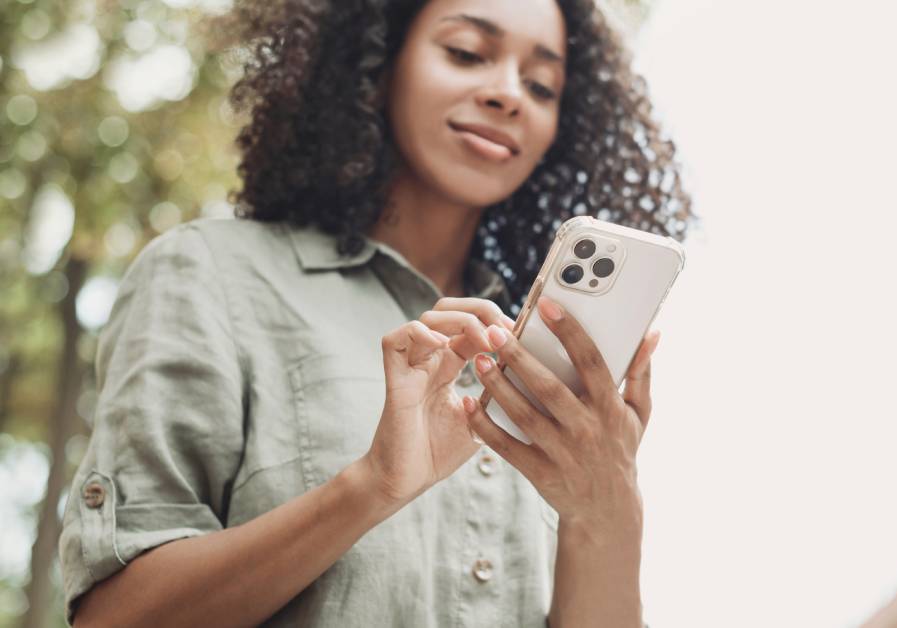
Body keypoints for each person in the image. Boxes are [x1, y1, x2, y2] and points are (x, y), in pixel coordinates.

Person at [58, 0, 693, 626]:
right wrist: (370, 488)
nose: (509, 94)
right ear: (379, 61)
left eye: (542, 85)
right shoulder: (213, 274)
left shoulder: (535, 353)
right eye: (467, 53)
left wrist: (608, 515)